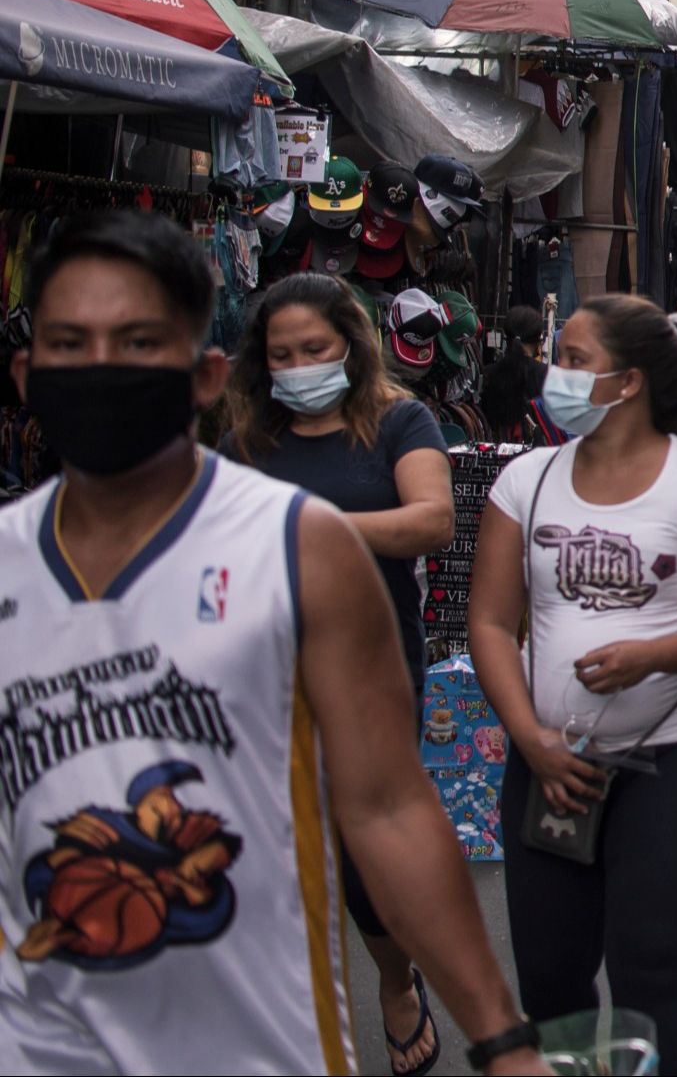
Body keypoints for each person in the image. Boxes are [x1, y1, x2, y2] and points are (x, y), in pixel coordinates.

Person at [0, 211, 541, 1076]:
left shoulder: (308, 543)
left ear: (203, 374)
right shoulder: (15, 567)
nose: (103, 371)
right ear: (26, 373)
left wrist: (503, 1039)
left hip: (251, 1034)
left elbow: (389, 811)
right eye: (71, 344)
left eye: (138, 343)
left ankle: (395, 983)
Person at [466, 295, 677, 1076]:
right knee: (552, 982)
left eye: (574, 360)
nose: (554, 374)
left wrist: (652, 655)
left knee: (648, 975)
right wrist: (531, 739)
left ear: (629, 382)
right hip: (548, 767)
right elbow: (490, 625)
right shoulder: (525, 481)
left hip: (668, 764)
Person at [220, 272, 458, 1074]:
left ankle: (396, 978)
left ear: (349, 347)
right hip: (265, 674)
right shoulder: (246, 442)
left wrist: (310, 529)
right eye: (281, 355)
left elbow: (432, 520)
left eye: (313, 350)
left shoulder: (399, 421)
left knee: (365, 858)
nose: (297, 367)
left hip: (372, 670)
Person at [484, 303, 566, 444]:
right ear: (538, 339)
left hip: (495, 447)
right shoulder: (545, 374)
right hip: (536, 448)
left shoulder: (490, 373)